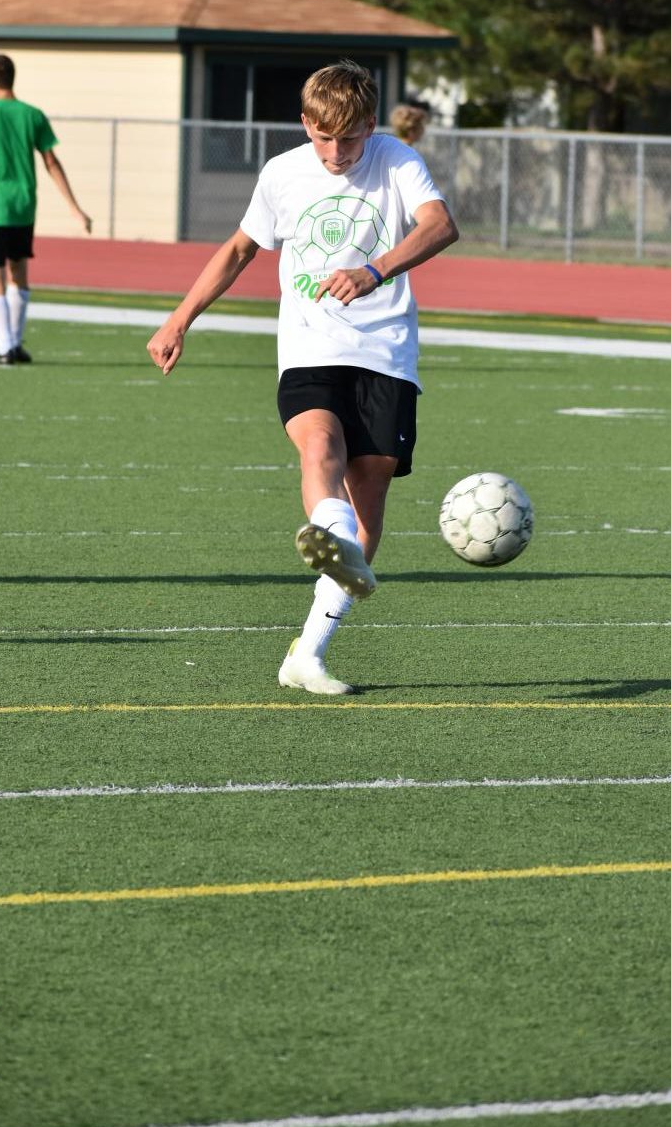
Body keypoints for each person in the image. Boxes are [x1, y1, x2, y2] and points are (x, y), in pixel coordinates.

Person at [147, 60, 458, 695]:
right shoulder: (282, 173)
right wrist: (180, 318)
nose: (336, 152)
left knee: (368, 494)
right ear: (304, 125)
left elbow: (439, 226)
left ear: (370, 125)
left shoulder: (396, 159)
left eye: (349, 138)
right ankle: (334, 536)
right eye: (322, 137)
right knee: (320, 448)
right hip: (310, 346)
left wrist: (373, 271)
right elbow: (239, 250)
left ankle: (308, 652)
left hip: (386, 351)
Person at [0, 54, 92, 364]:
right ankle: (16, 345)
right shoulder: (33, 115)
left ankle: (5, 347)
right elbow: (51, 161)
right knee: (19, 271)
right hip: (23, 206)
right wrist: (75, 208)